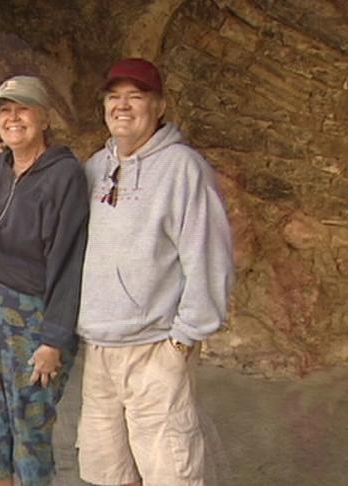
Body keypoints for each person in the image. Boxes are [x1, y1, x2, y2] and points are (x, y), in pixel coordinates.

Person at [75, 58, 234, 486]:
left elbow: (209, 258)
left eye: (135, 97)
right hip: (99, 351)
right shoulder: (94, 168)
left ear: (159, 105)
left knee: (170, 472)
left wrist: (181, 343)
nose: (122, 106)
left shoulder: (183, 169)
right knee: (106, 473)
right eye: (114, 97)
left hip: (154, 349)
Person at [0, 75, 89, 486]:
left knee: (29, 426)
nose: (13, 117)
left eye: (23, 108)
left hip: (29, 316)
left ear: (44, 118)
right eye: (4, 110)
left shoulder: (64, 175)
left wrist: (54, 339)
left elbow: (70, 260)